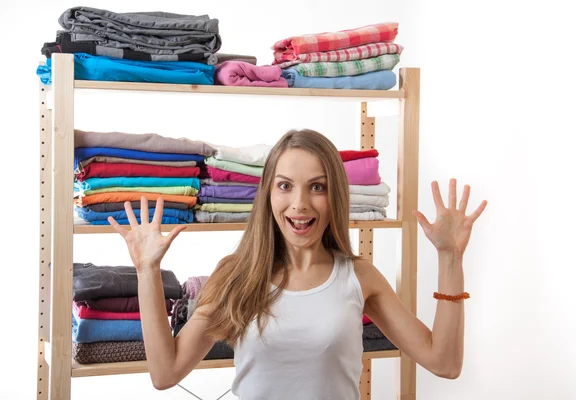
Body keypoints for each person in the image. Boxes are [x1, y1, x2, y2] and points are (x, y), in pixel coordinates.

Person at [108, 129, 487, 399]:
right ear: (268, 191)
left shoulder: (359, 277)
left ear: (333, 195)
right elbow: (165, 373)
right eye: (285, 185)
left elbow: (444, 362)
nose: (300, 204)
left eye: (317, 187)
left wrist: (450, 258)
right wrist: (147, 271)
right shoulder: (236, 275)